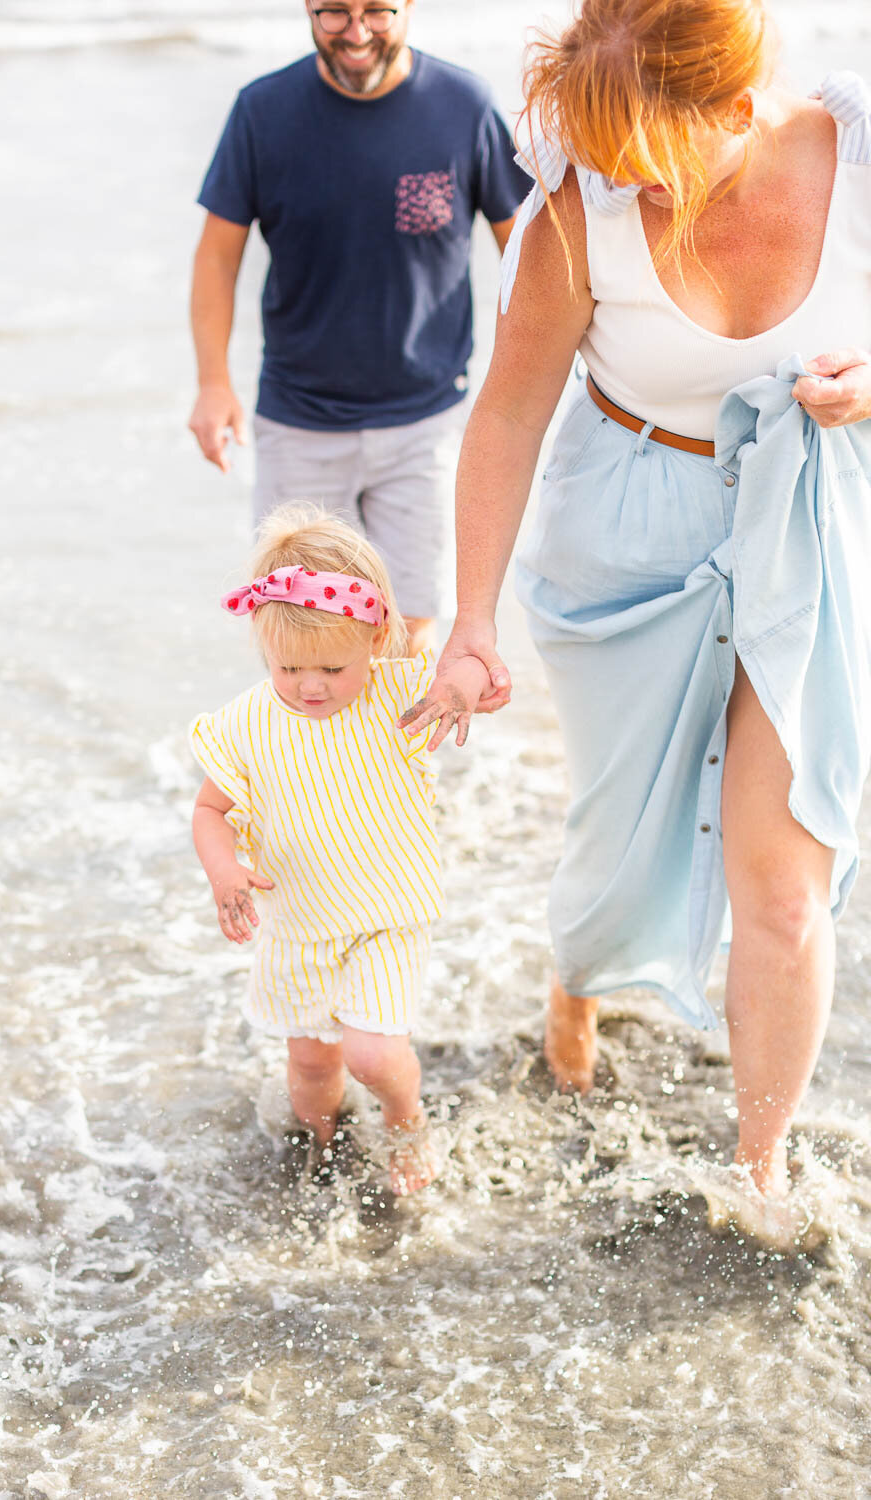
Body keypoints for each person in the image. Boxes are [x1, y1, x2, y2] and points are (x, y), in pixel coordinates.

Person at [400, 0, 871, 1211]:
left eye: (639, 157)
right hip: (626, 534)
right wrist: (467, 623)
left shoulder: (856, 156)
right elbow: (505, 412)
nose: (617, 181)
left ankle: (758, 1171)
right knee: (617, 837)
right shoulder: (578, 207)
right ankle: (579, 978)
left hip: (810, 527)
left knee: (782, 877)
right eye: (597, 154)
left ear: (732, 110)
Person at [187, 1, 531, 652]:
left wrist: (520, 382)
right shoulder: (262, 111)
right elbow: (216, 256)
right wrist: (212, 382)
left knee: (409, 635)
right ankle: (305, 760)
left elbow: (526, 251)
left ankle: (399, 760)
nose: (358, 32)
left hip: (424, 423)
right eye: (334, 14)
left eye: (377, 11)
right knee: (302, 640)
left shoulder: (464, 105)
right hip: (298, 422)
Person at [190, 506, 480, 1194]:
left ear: (376, 638)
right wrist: (224, 868)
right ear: (264, 644)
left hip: (386, 914)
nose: (310, 684)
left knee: (374, 1055)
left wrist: (469, 688)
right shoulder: (245, 724)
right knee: (312, 1074)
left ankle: (406, 1118)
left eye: (331, 666)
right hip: (298, 927)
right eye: (288, 666)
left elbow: (467, 679)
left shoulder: (397, 694)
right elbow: (210, 810)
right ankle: (325, 1146)